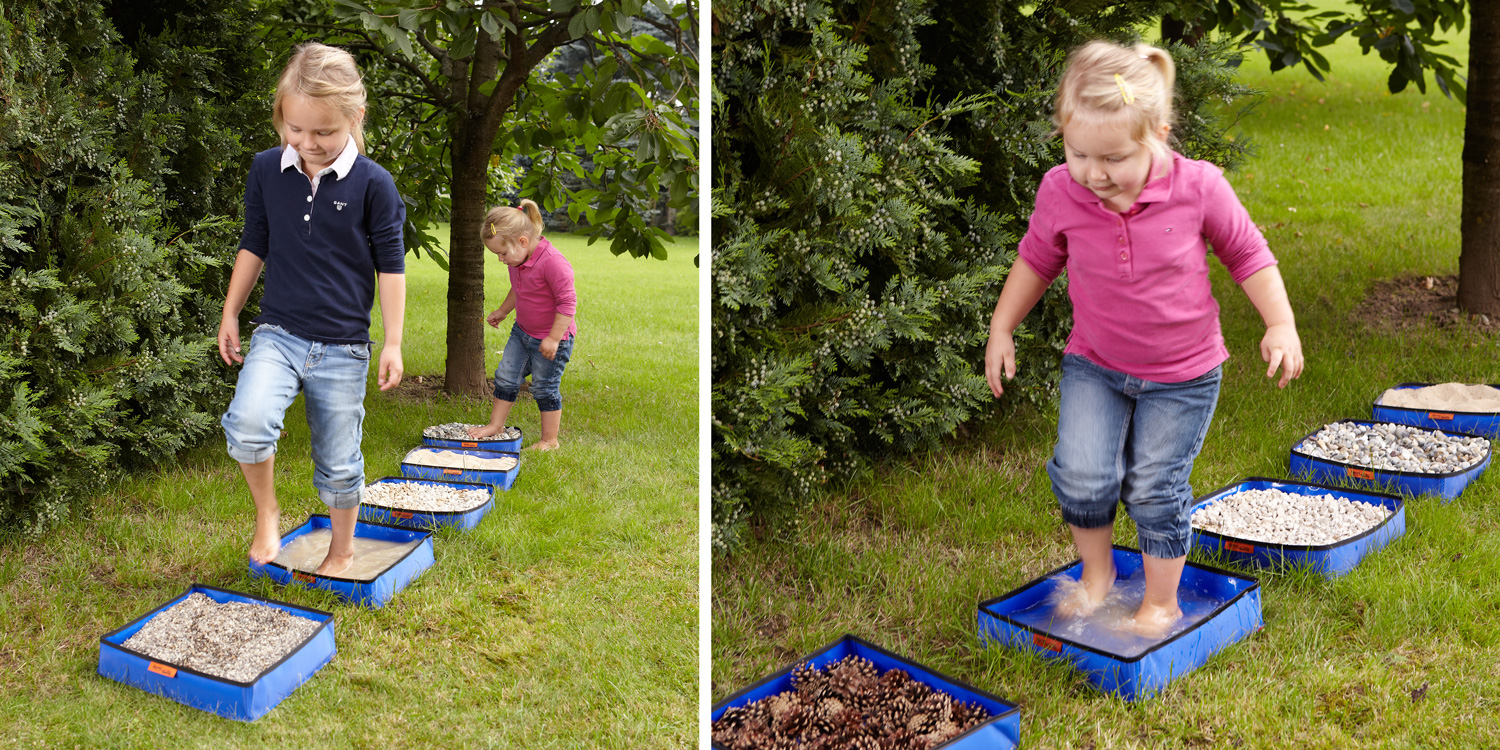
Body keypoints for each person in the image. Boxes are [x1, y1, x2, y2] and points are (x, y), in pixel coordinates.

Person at [984, 40, 1304, 637]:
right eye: (1078, 153)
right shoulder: (1062, 190)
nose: (1094, 173)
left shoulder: (1199, 187)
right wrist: (1002, 326)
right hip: (1095, 363)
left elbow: (1248, 253)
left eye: (1112, 158)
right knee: (1081, 473)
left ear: (1157, 134)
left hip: (1182, 375)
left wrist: (1279, 323)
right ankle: (1098, 575)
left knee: (1156, 488)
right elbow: (1035, 260)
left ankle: (1162, 602)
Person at [217, 42, 406, 576]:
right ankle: (267, 513)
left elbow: (391, 267)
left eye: (323, 132)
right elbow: (255, 242)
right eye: (294, 130)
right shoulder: (266, 170)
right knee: (248, 426)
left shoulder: (375, 185)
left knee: (341, 465)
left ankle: (342, 550)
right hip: (278, 333)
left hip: (343, 346)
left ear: (355, 117)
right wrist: (232, 312)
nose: (308, 144)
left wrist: (391, 341)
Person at [466, 200, 577, 451]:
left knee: (544, 388)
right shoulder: (518, 259)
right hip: (521, 333)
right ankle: (495, 425)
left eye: (502, 254)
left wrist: (553, 338)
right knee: (505, 376)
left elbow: (567, 304)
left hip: (551, 340)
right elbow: (519, 288)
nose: (501, 260)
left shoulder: (553, 262)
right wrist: (504, 311)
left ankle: (550, 440)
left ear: (523, 242)